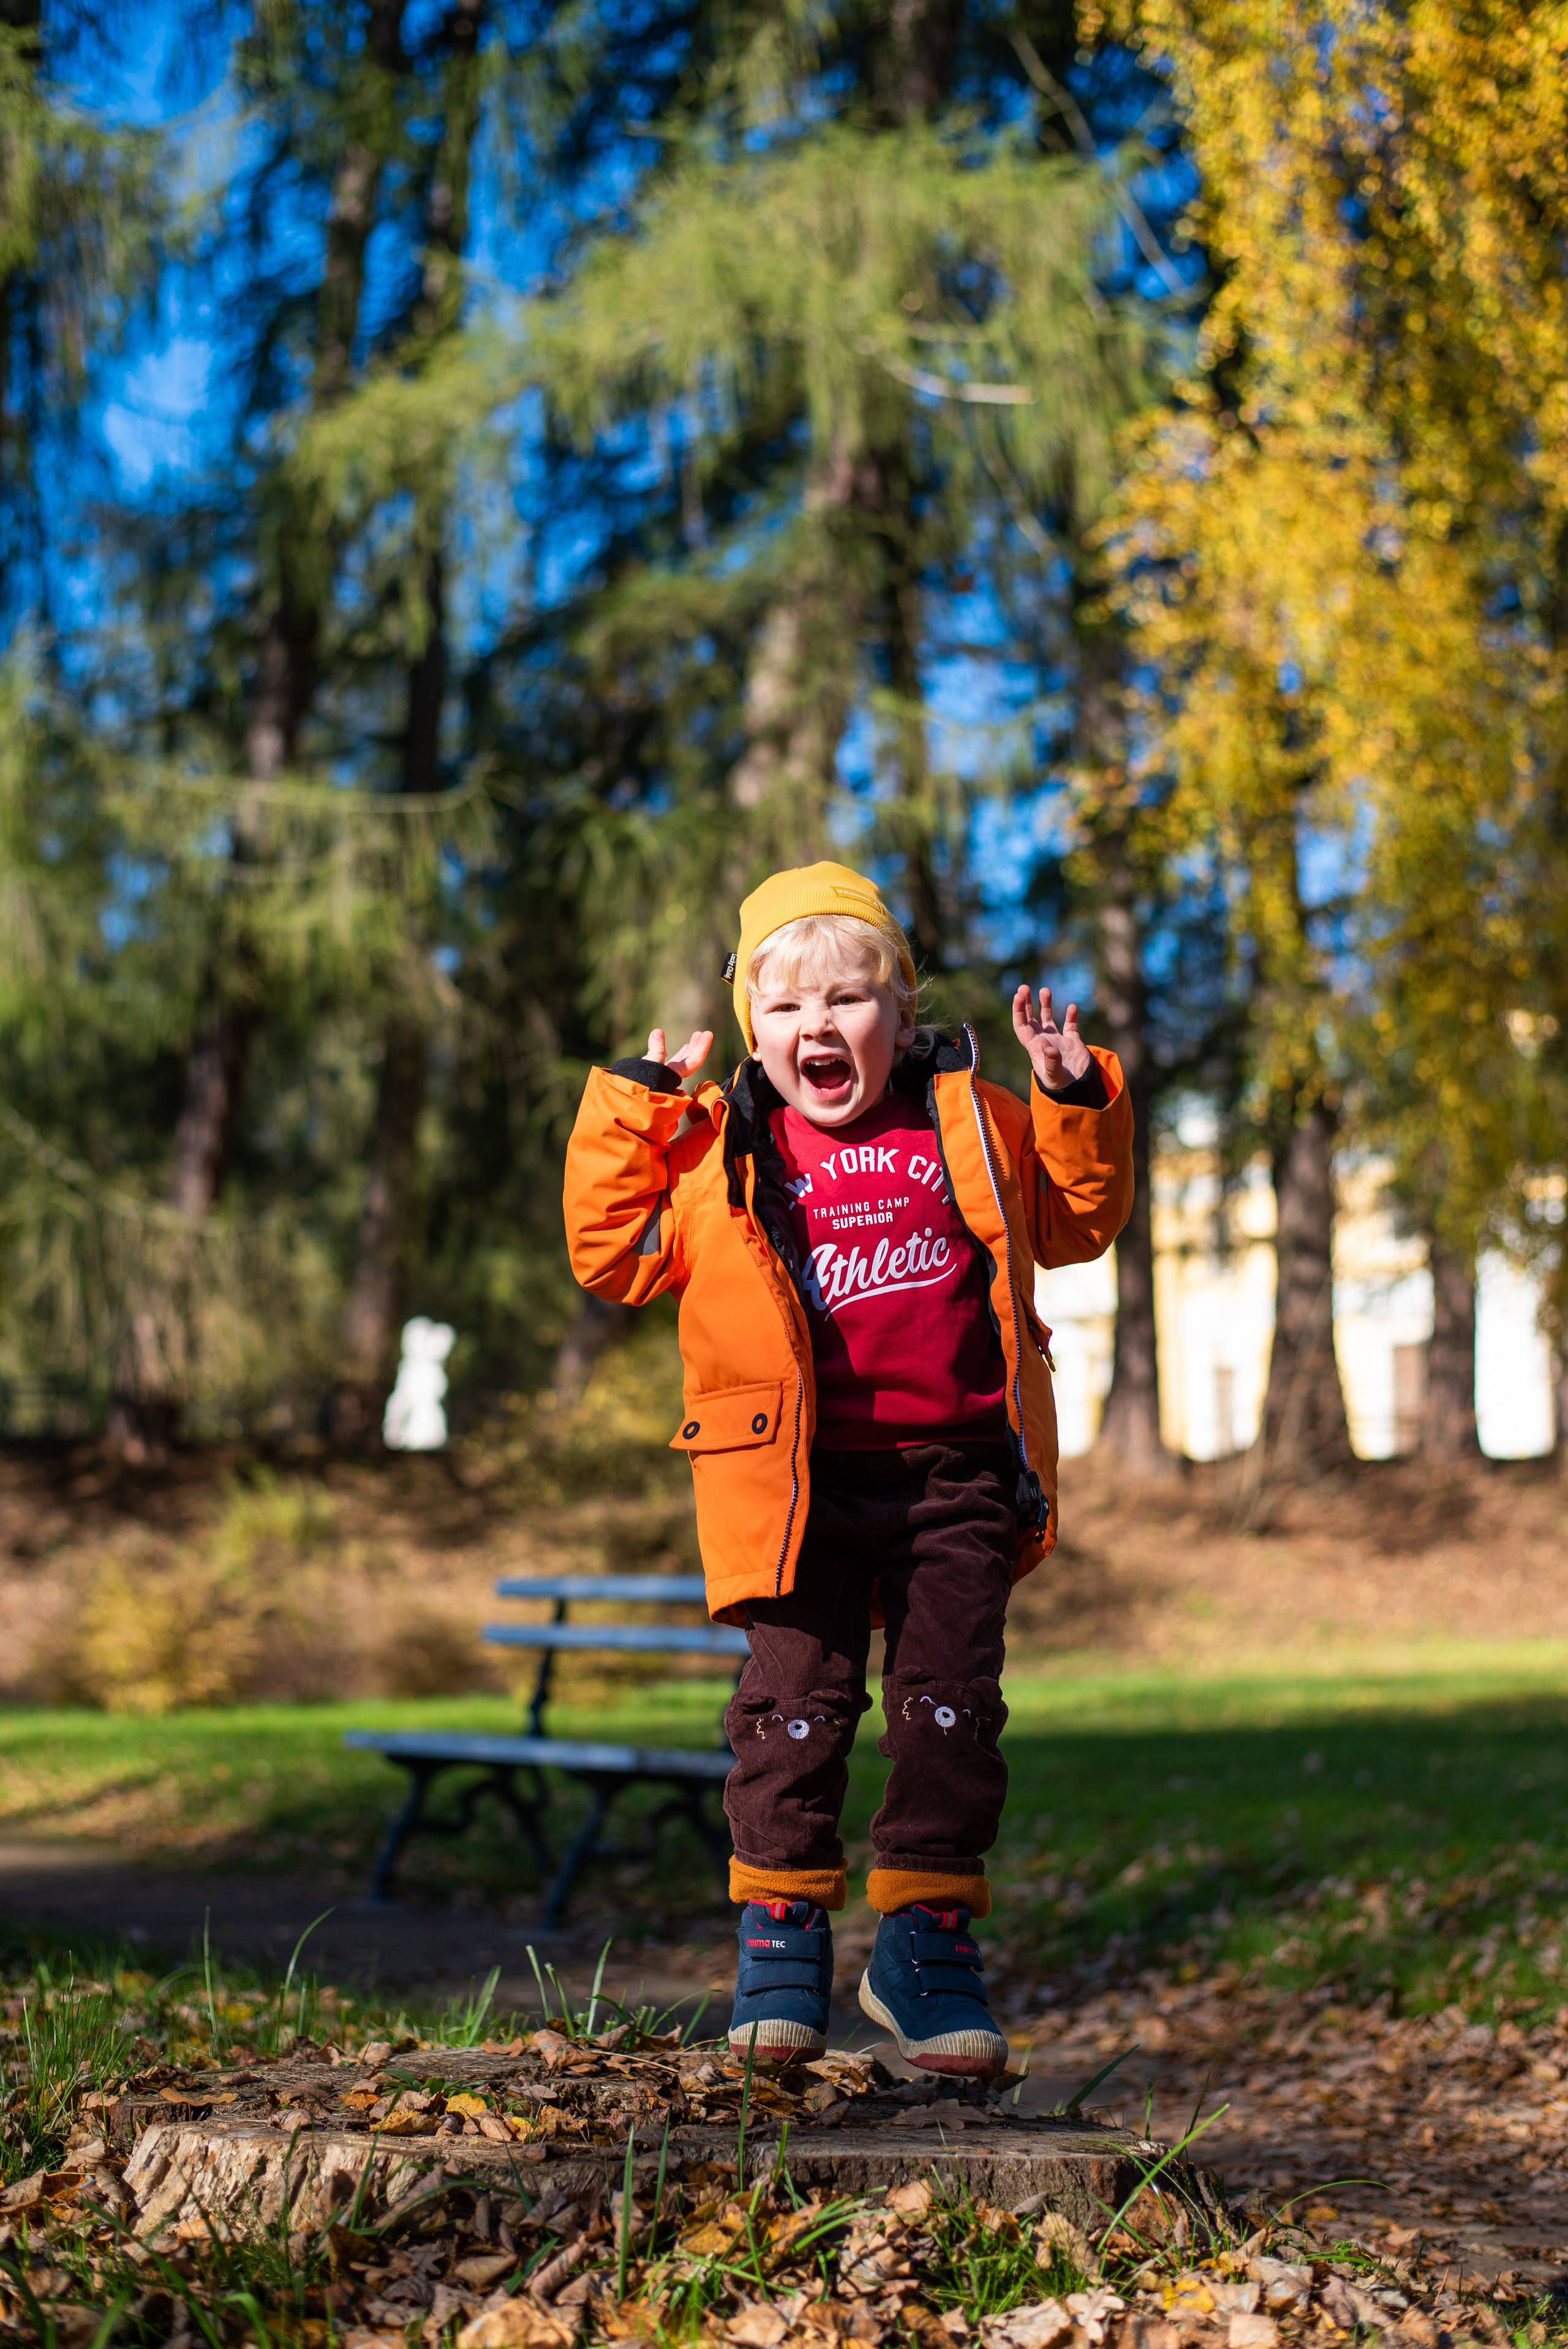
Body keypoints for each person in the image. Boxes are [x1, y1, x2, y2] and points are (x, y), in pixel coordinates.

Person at [562, 861, 1133, 2074]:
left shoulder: (971, 1119)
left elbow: (1076, 1222)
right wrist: (634, 1110)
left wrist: (1075, 1096)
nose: (816, 1027)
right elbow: (608, 1256)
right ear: (749, 1030)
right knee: (790, 1712)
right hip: (792, 1486)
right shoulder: (721, 1155)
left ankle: (923, 1946)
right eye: (784, 1008)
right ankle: (778, 1933)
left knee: (949, 1713)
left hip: (957, 1474)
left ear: (902, 1014)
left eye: (847, 1000)